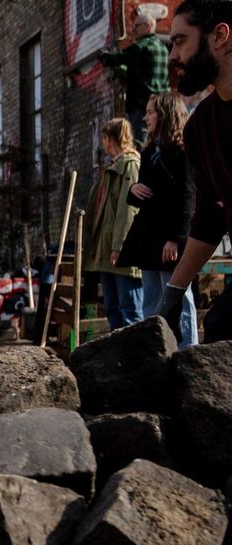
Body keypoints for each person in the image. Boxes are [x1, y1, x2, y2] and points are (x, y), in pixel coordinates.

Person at [157, 0, 232, 343]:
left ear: (220, 36)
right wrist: (173, 293)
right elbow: (208, 221)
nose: (172, 55)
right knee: (221, 327)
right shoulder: (201, 127)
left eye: (180, 41)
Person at [116, 92, 198, 346]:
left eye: (151, 112)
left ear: (165, 114)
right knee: (151, 299)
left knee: (178, 297)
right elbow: (148, 192)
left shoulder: (182, 150)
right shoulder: (151, 149)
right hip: (149, 239)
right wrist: (133, 191)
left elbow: (188, 197)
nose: (146, 117)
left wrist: (176, 239)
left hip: (169, 239)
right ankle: (158, 351)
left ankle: (188, 352)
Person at [84, 118, 143, 330]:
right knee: (112, 308)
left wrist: (120, 246)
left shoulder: (130, 166)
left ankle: (134, 359)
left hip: (120, 251)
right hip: (107, 251)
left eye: (104, 138)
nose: (103, 144)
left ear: (109, 139)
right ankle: (117, 358)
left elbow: (128, 210)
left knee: (130, 310)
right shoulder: (113, 168)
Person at [102, 14, 171, 146]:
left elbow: (116, 59)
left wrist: (104, 57)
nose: (133, 30)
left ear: (148, 26)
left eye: (136, 27)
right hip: (163, 105)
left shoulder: (140, 47)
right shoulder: (163, 48)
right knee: (161, 142)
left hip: (141, 106)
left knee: (140, 143)